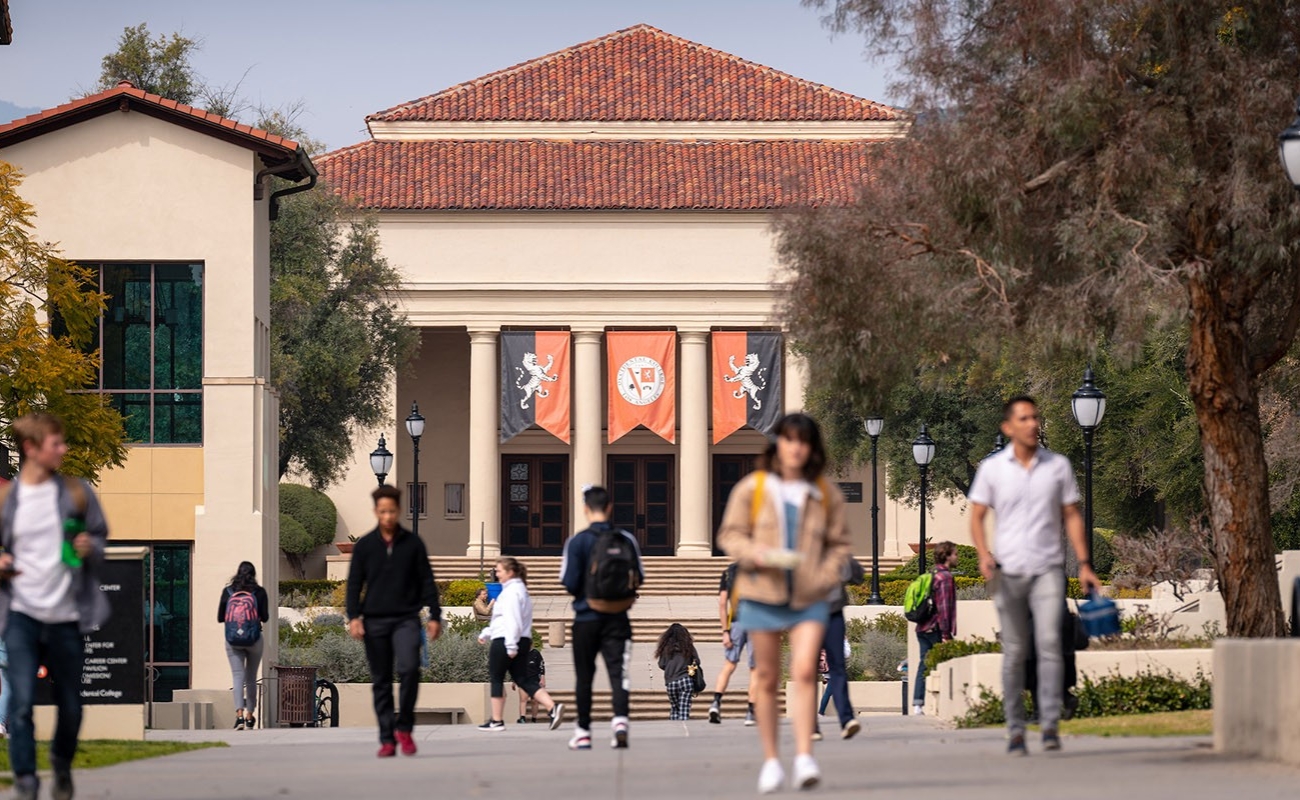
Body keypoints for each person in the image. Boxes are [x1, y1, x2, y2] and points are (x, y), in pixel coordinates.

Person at [717, 413, 852, 794]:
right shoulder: (754, 488)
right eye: (789, 439)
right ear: (777, 444)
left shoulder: (824, 492)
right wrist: (752, 553)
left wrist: (825, 575)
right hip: (762, 593)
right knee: (767, 677)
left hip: (810, 595)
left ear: (812, 448)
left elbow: (840, 545)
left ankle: (805, 756)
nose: (795, 447)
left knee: (806, 669)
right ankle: (772, 760)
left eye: (803, 441)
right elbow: (730, 534)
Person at [969, 396, 1101, 756]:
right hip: (1008, 572)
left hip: (1048, 571)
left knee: (1048, 645)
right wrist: (983, 555)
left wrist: (1085, 563)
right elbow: (976, 515)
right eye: (1024, 418)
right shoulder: (993, 469)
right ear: (1008, 427)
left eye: (1035, 417)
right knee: (1014, 651)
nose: (1032, 424)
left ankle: (1048, 725)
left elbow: (1071, 515)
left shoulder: (1057, 467)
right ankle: (1014, 729)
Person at [0, 413, 110, 800]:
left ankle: (61, 763)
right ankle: (26, 780)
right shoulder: (7, 499)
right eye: (55, 444)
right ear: (31, 449)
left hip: (66, 617)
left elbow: (99, 537)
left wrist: (89, 547)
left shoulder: (76, 492)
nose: (63, 449)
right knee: (21, 703)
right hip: (21, 615)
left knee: (72, 706)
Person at [346, 485, 443, 758]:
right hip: (374, 621)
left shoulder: (413, 544)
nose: (387, 516)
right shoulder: (365, 546)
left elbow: (427, 581)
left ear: (399, 511)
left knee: (410, 668)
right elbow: (354, 584)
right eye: (382, 511)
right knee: (381, 680)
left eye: (391, 511)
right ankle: (387, 738)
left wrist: (435, 615)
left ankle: (405, 728)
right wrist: (353, 616)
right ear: (376, 512)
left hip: (406, 619)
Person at [559, 485, 645, 751]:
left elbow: (568, 581)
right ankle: (620, 722)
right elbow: (639, 577)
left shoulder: (577, 541)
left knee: (584, 677)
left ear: (585, 509)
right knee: (618, 674)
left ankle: (583, 731)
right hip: (618, 617)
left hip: (586, 618)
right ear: (609, 508)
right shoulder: (626, 539)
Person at [476, 557, 564, 731]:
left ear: (510, 572)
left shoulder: (512, 592)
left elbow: (512, 620)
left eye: (499, 570)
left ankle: (497, 720)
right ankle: (552, 708)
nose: (496, 574)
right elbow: (505, 620)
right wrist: (487, 632)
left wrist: (510, 645)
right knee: (523, 679)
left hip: (507, 639)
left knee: (496, 677)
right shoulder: (517, 590)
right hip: (519, 639)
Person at [815, 556, 866, 738]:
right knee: (836, 669)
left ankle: (844, 720)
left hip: (818, 612)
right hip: (822, 612)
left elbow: (857, 575)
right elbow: (857, 575)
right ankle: (845, 719)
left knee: (816, 669)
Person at [217, 561, 270, 730]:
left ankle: (238, 716)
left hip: (233, 640)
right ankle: (249, 716)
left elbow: (220, 617)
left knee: (237, 676)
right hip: (254, 639)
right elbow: (265, 617)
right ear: (254, 574)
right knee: (251, 677)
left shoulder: (228, 592)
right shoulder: (259, 592)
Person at [707, 562, 756, 726]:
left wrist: (725, 631)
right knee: (754, 669)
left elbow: (722, 604)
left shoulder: (729, 572)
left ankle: (716, 703)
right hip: (757, 622)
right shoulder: (759, 568)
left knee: (729, 664)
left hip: (735, 622)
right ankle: (750, 712)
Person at [913, 541, 958, 715]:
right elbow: (944, 608)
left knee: (923, 664)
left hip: (922, 627)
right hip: (936, 628)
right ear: (947, 556)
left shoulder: (931, 574)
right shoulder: (945, 577)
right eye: (954, 554)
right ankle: (950, 703)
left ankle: (918, 703)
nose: (957, 557)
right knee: (949, 661)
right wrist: (946, 634)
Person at [655, 623, 700, 721]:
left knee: (674, 708)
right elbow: (697, 661)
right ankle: (684, 731)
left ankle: (674, 730)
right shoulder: (688, 646)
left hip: (671, 682)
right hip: (686, 680)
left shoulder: (666, 648)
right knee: (684, 709)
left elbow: (661, 664)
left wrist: (671, 667)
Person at [516, 647, 546, 723]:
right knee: (523, 699)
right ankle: (522, 717)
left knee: (534, 700)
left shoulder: (536, 653)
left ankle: (534, 718)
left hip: (534, 679)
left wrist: (542, 678)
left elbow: (541, 666)